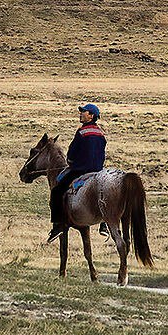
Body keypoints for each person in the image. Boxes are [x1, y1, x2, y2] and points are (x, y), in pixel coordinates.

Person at [48, 103, 107, 240]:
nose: (80, 114)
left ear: (91, 116)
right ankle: (104, 224)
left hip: (81, 170)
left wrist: (72, 162)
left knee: (57, 191)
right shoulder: (100, 133)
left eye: (84, 112)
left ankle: (57, 225)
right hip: (98, 171)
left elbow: (72, 153)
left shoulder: (81, 132)